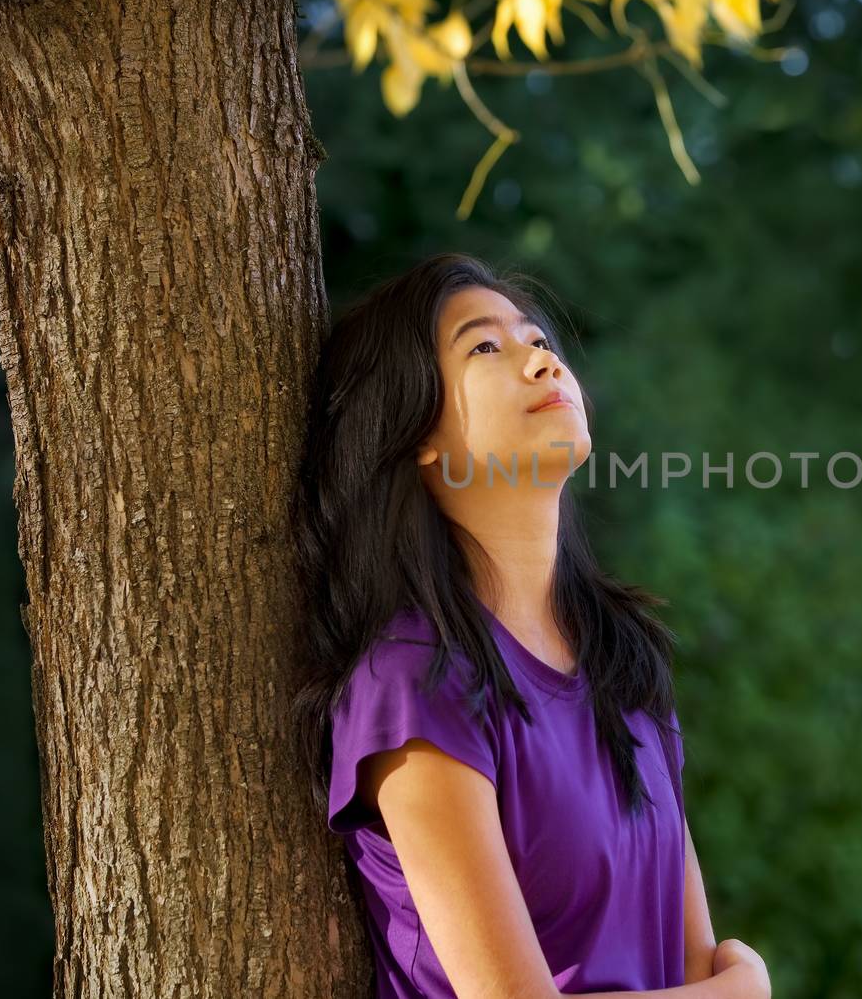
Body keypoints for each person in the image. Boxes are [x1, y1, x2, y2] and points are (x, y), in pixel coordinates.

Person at [289, 253, 771, 999]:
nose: (541, 360)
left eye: (538, 338)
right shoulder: (412, 681)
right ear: (417, 430)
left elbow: (691, 958)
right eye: (486, 346)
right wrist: (741, 992)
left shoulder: (625, 663)